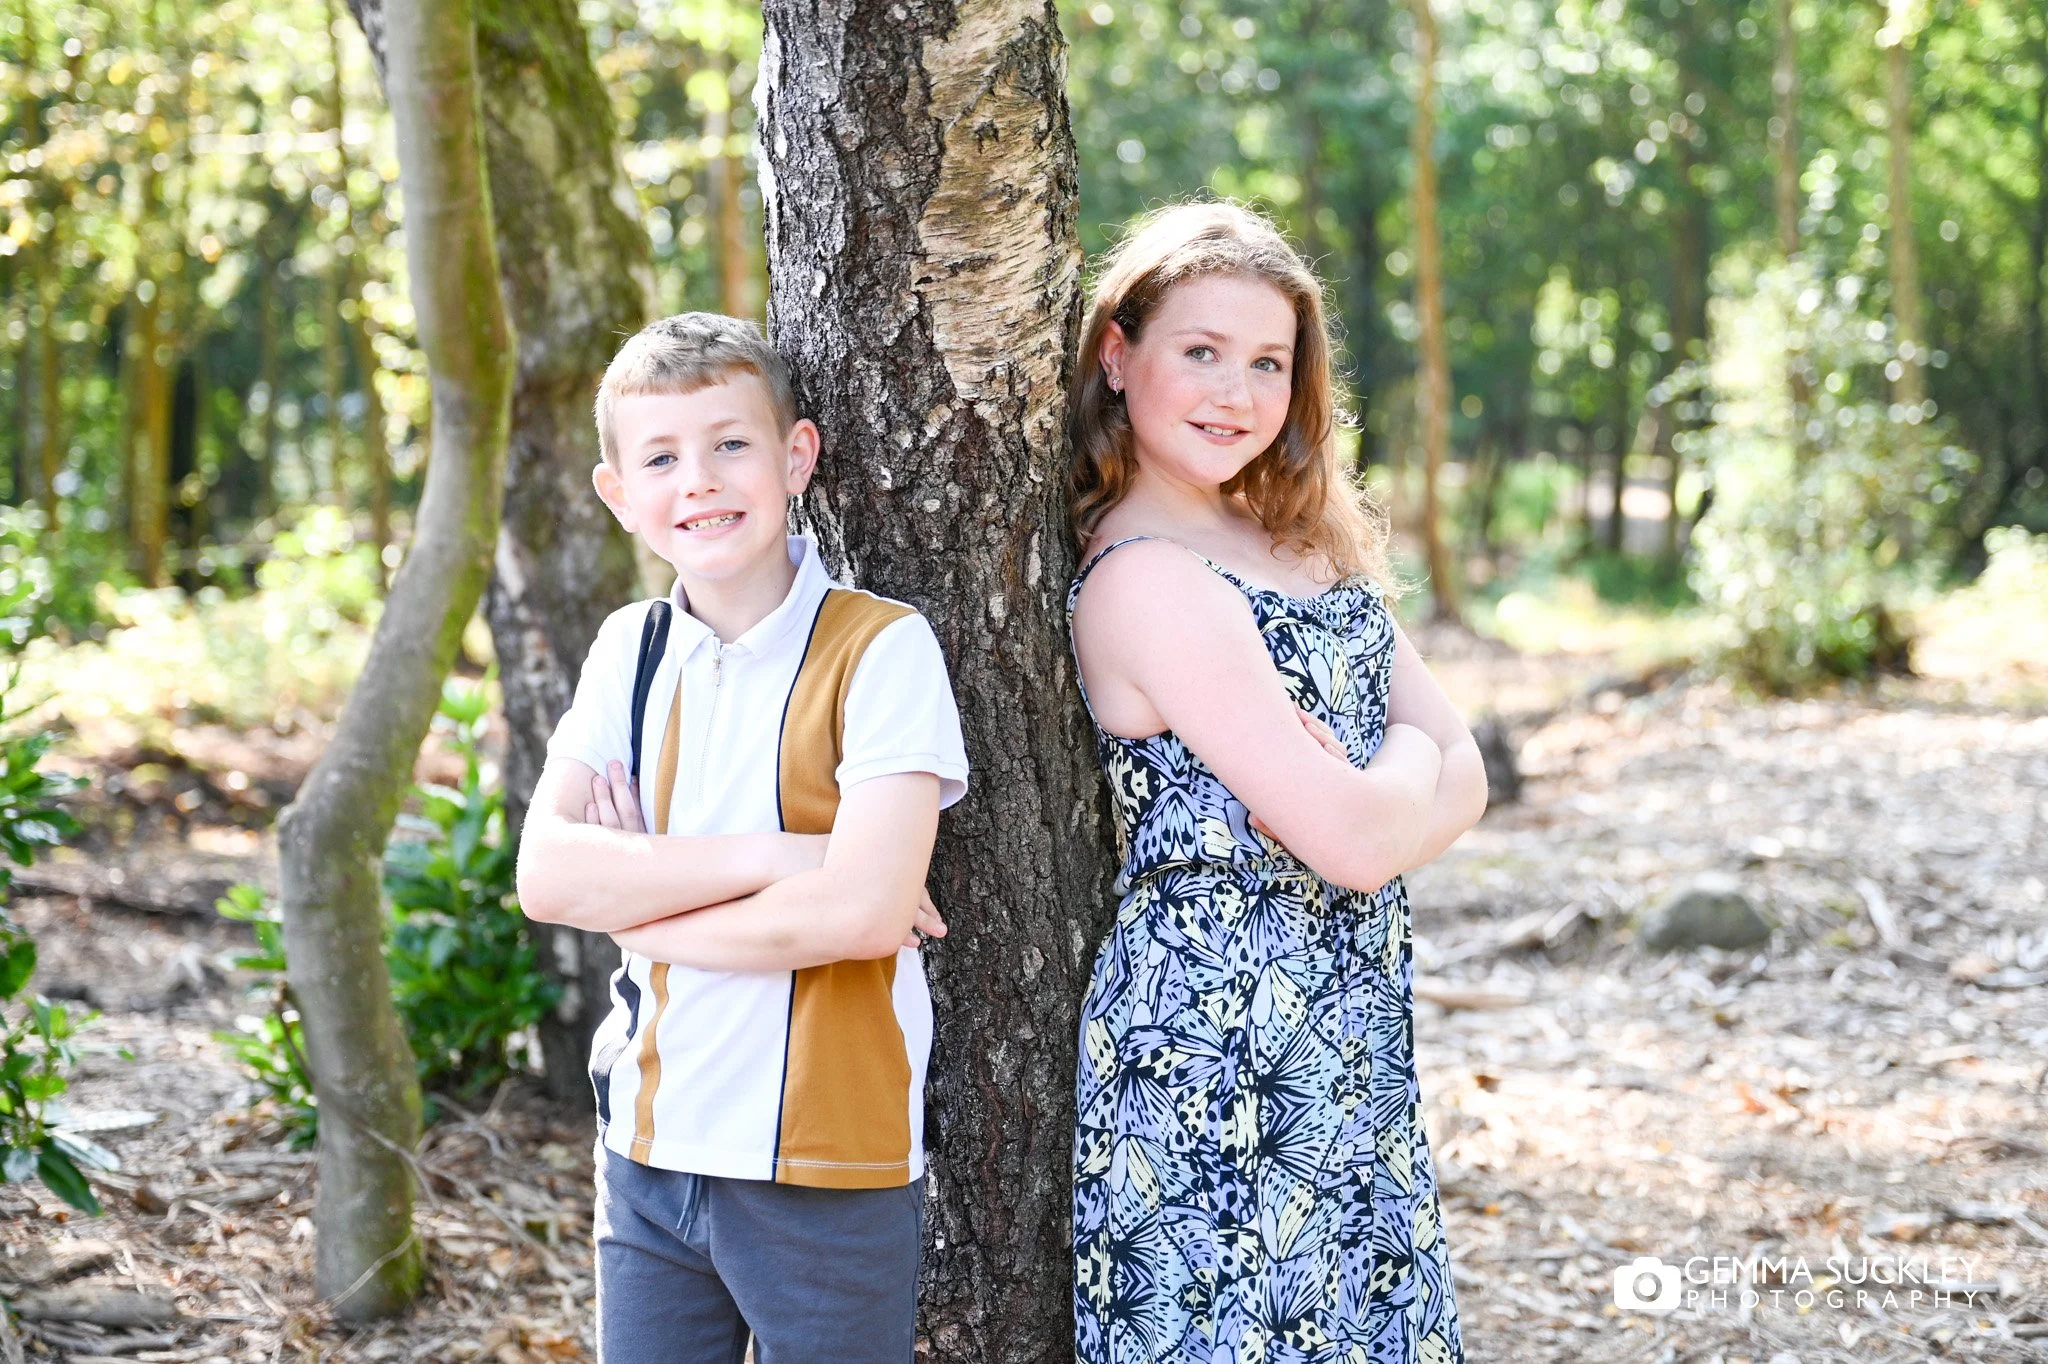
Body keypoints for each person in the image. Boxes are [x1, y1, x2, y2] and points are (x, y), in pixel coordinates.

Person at [1063, 202, 1486, 1363]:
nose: (1234, 392)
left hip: (1348, 1031)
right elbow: (1364, 836)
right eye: (1197, 351)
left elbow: (1466, 769)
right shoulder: (1145, 577)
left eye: (1266, 361)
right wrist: (1394, 788)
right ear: (1118, 353)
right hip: (1217, 1049)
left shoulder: (1299, 541)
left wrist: (1372, 784)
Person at [514, 313, 968, 1364]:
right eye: (661, 457)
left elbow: (858, 912)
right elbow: (546, 874)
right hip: (646, 1146)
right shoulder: (628, 650)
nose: (700, 480)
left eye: (730, 443)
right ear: (619, 494)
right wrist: (782, 858)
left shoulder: (881, 648)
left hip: (828, 1162)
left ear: (794, 455)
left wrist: (636, 901)